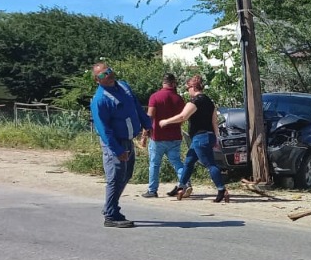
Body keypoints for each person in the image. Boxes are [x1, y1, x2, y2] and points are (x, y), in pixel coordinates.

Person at [90, 62, 150, 228]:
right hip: (114, 142)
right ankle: (110, 215)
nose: (107, 75)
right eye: (102, 75)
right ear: (97, 80)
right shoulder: (100, 100)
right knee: (115, 178)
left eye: (108, 71)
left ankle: (111, 207)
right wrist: (117, 150)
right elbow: (104, 129)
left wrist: (147, 124)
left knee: (126, 175)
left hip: (128, 140)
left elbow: (137, 107)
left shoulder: (124, 86)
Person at [159, 74, 228, 203]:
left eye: (187, 88)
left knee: (210, 164)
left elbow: (182, 117)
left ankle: (221, 189)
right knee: (189, 161)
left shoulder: (195, 101)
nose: (187, 91)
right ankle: (181, 185)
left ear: (193, 87)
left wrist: (166, 121)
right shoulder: (209, 101)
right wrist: (216, 139)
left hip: (200, 138)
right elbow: (214, 122)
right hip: (208, 136)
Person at [145, 72, 186, 198]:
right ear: (173, 83)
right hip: (175, 136)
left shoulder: (155, 97)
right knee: (177, 162)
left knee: (155, 164)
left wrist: (144, 134)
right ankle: (185, 183)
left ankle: (152, 190)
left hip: (158, 137)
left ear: (163, 82)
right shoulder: (178, 98)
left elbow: (150, 116)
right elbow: (183, 117)